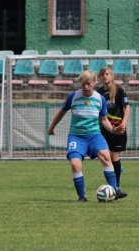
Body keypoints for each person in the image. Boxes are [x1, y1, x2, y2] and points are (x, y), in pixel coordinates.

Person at [48, 70, 127, 202]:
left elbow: (103, 120)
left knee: (106, 156)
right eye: (83, 84)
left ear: (95, 83)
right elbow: (61, 113)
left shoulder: (99, 99)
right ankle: (82, 197)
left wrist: (113, 130)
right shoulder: (73, 97)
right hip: (76, 136)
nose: (86, 87)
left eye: (88, 84)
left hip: (94, 135)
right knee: (75, 164)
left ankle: (114, 191)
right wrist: (51, 128)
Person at [97, 67, 130, 190]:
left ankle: (116, 186)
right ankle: (117, 171)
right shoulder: (99, 93)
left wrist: (124, 123)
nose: (105, 76)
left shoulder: (120, 90)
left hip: (117, 128)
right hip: (105, 129)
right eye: (103, 75)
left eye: (107, 74)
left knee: (114, 156)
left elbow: (127, 107)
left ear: (112, 76)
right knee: (105, 156)